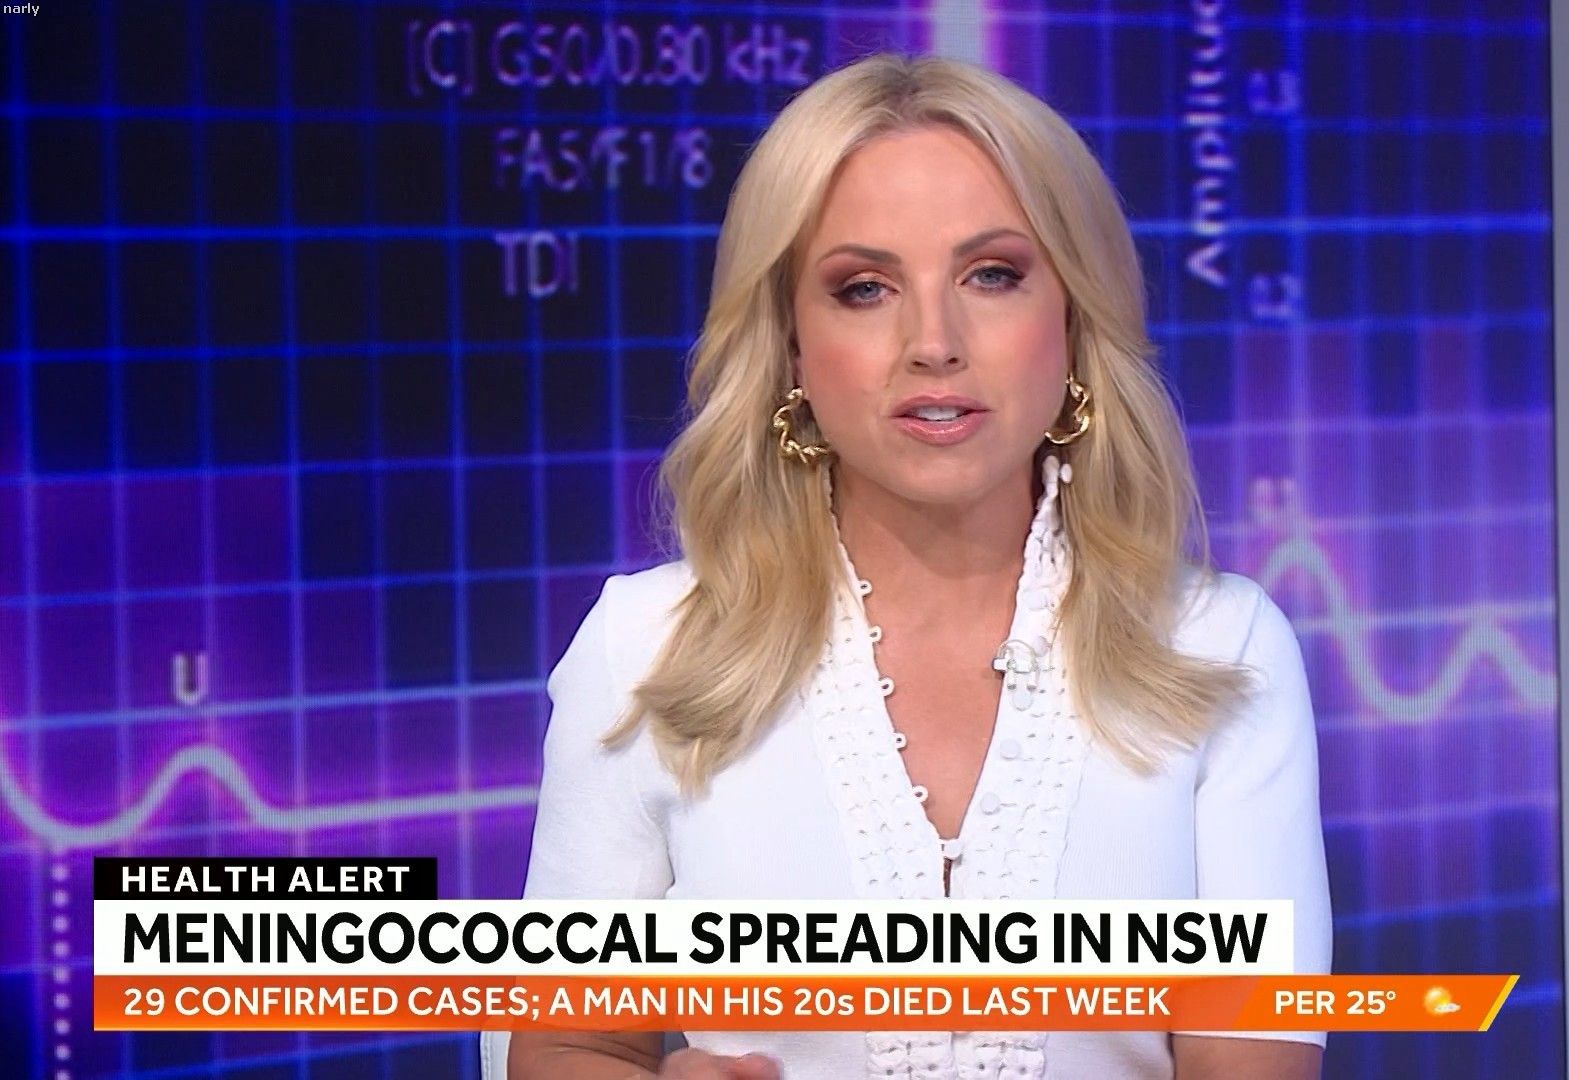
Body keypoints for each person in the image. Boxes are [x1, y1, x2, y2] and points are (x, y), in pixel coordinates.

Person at [485, 50, 1330, 1080]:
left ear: (1073, 322)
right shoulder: (646, 648)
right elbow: (562, 1044)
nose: (933, 341)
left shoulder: (1220, 649)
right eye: (864, 288)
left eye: (992, 275)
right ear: (791, 345)